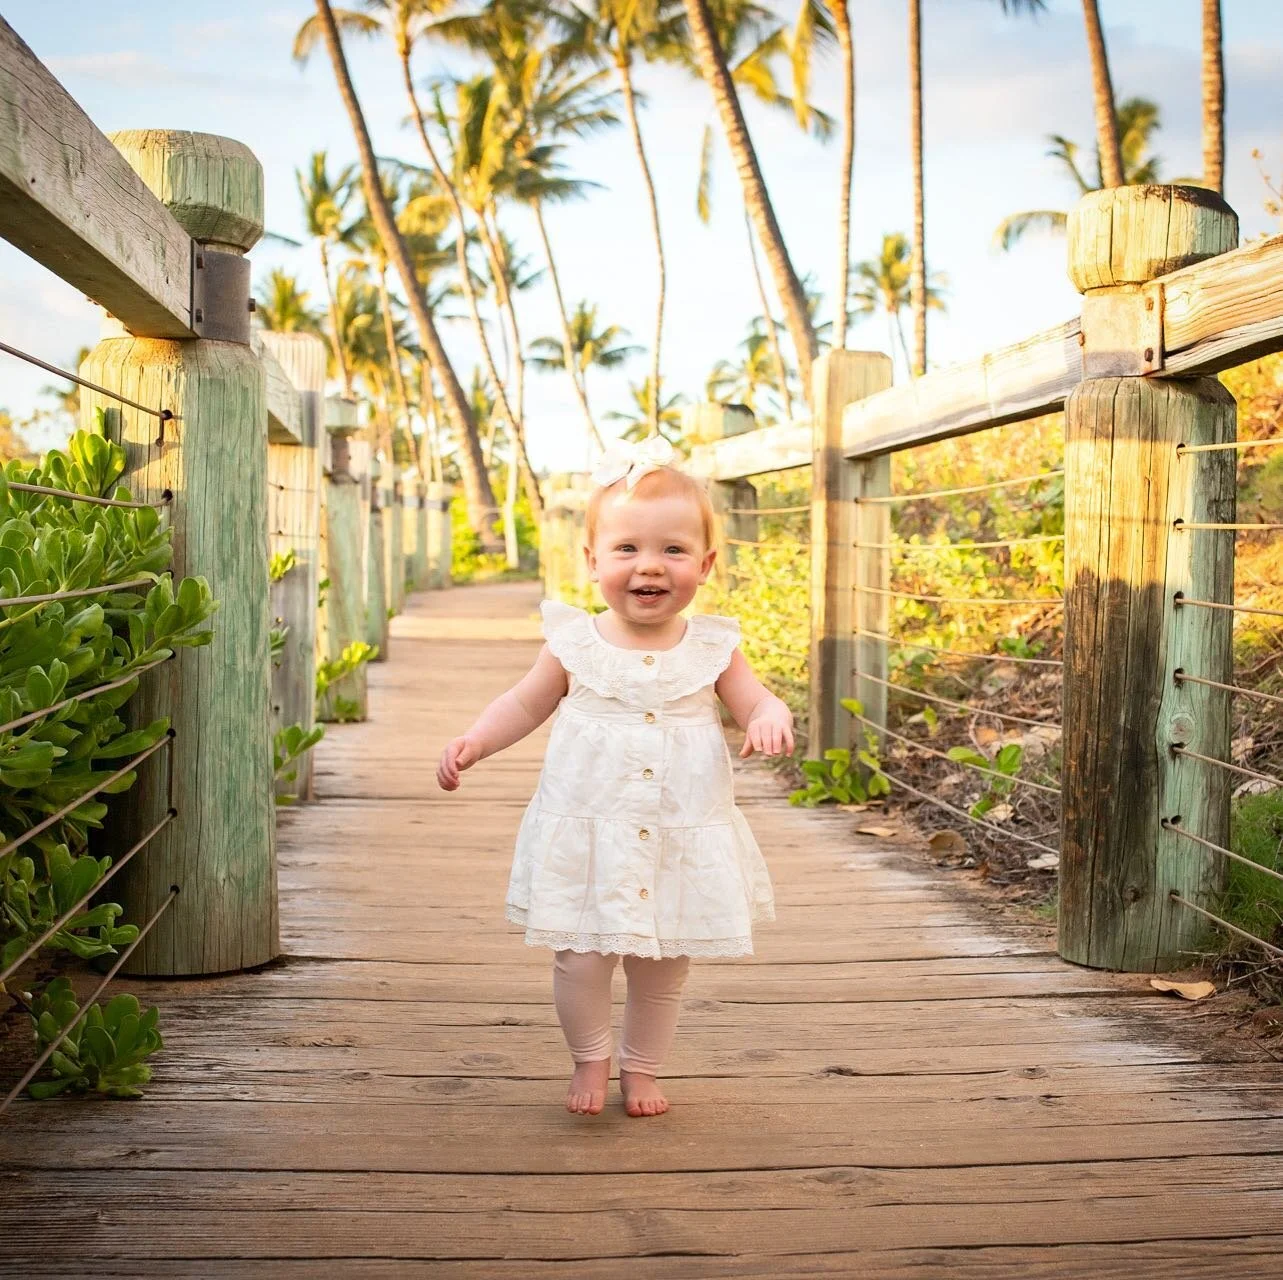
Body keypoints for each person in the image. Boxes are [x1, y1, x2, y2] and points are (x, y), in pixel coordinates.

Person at [436, 439, 793, 1117]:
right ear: (592, 560)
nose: (648, 566)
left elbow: (753, 699)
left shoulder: (713, 647)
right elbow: (523, 703)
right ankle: (589, 1058)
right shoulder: (574, 642)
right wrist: (477, 739)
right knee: (581, 957)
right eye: (626, 549)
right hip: (589, 828)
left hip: (675, 833)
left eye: (672, 550)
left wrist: (769, 715)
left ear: (706, 563)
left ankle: (643, 1069)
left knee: (663, 965)